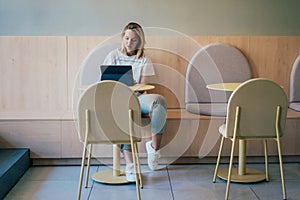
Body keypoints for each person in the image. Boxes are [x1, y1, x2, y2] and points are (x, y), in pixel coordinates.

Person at [102, 22, 167, 182]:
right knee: (125, 110)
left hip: (138, 97)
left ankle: (154, 148)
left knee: (159, 101)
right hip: (116, 100)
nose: (129, 43)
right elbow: (105, 83)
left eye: (134, 40)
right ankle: (130, 166)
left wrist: (134, 88)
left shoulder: (144, 59)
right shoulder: (113, 56)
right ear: (122, 38)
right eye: (127, 38)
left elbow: (144, 87)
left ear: (140, 41)